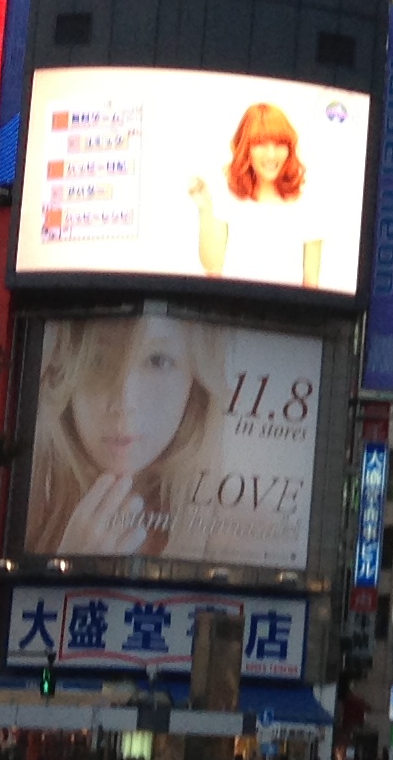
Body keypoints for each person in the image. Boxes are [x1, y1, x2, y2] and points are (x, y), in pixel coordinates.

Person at [25, 311, 230, 561]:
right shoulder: (21, 508)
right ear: (62, 372)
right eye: (98, 360)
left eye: (157, 361)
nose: (124, 402)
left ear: (196, 381)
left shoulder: (239, 530)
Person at [192, 101, 318, 284]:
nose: (271, 155)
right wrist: (205, 208)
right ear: (246, 148)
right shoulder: (228, 193)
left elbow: (311, 282)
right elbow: (212, 268)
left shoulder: (306, 200)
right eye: (260, 144)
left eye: (279, 144)